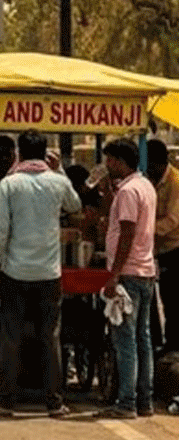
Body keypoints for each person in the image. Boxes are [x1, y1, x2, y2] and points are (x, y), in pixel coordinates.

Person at [0, 130, 81, 418]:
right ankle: (54, 402)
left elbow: (0, 230)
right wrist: (59, 169)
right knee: (50, 337)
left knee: (10, 337)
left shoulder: (10, 185)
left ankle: (7, 402)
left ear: (20, 153)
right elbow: (74, 205)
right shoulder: (58, 182)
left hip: (15, 272)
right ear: (45, 151)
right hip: (49, 273)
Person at [95, 138, 158, 419]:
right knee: (142, 340)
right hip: (145, 272)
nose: (107, 166)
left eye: (110, 160)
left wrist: (114, 275)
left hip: (129, 274)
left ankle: (127, 402)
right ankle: (144, 400)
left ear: (121, 161)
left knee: (126, 341)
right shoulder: (144, 186)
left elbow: (127, 234)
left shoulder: (130, 191)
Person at [148, 140, 179, 354]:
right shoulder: (151, 180)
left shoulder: (176, 182)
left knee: (173, 299)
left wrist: (144, 230)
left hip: (174, 248)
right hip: (156, 248)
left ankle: (173, 346)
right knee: (161, 297)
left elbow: (172, 220)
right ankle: (164, 342)